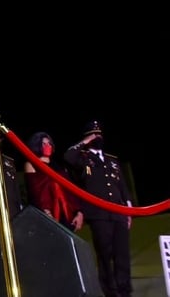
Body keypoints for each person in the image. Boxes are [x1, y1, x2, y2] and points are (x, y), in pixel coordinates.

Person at [64, 120, 133, 297]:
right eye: (94, 134)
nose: (98, 137)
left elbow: (121, 185)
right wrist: (85, 143)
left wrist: (129, 207)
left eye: (99, 134)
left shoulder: (112, 160)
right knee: (104, 254)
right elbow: (68, 157)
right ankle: (110, 292)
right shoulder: (82, 158)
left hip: (119, 212)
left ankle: (124, 291)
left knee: (122, 255)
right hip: (98, 214)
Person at [23, 131, 83, 232]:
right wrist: (45, 211)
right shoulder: (31, 164)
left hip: (67, 214)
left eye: (49, 143)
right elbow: (35, 191)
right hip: (47, 214)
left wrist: (79, 212)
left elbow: (70, 190)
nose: (48, 146)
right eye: (44, 144)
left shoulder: (60, 167)